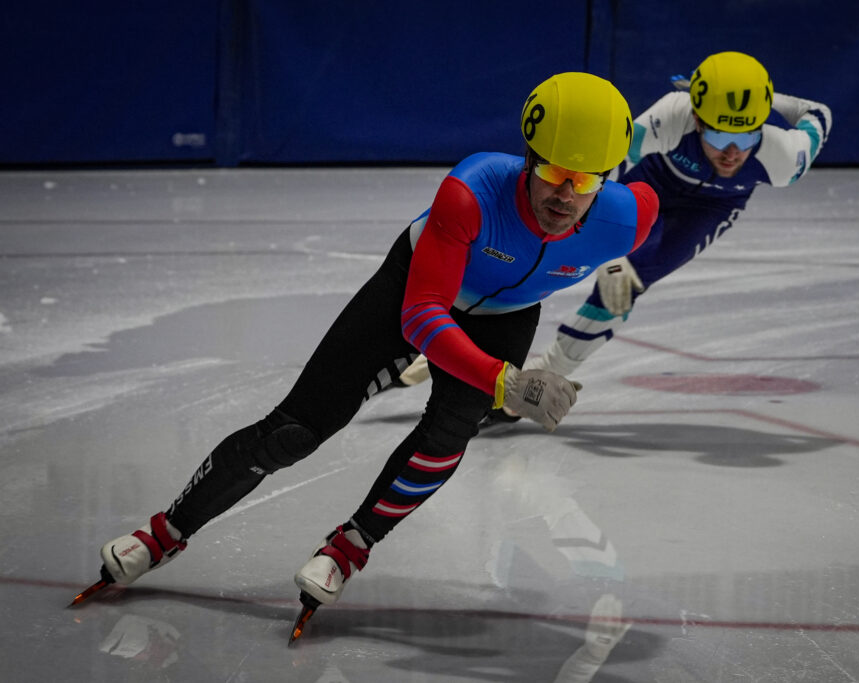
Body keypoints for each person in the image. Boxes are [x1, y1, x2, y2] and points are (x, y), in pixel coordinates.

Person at [71, 72, 659, 641]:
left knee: (448, 436)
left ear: (606, 179)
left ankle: (352, 546)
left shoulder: (625, 219)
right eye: (553, 172)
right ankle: (165, 532)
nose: (564, 194)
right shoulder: (472, 191)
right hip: (415, 286)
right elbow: (422, 315)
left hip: (504, 317)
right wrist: (505, 382)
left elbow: (671, 190)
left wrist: (627, 271)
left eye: (584, 181)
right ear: (528, 159)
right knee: (296, 430)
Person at [427, 51, 830, 426]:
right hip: (649, 184)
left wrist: (771, 99)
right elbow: (611, 162)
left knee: (623, 288)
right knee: (549, 245)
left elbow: (818, 113)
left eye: (744, 139)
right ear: (697, 118)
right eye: (718, 136)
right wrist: (614, 253)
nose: (730, 153)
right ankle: (465, 321)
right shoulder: (673, 114)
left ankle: (535, 387)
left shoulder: (783, 157)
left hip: (708, 210)